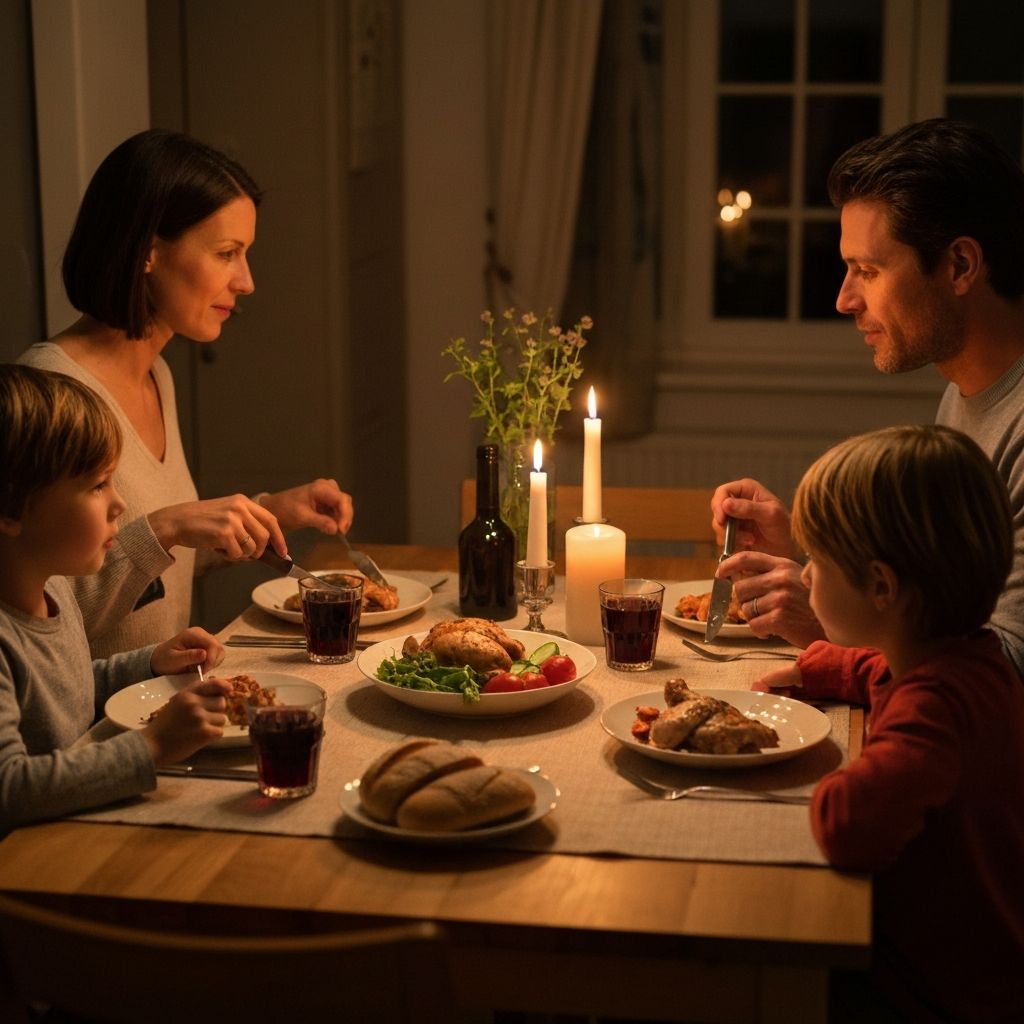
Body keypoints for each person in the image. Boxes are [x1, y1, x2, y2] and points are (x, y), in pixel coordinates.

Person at [19, 128, 355, 658]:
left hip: (167, 702)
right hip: (101, 727)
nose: (246, 282)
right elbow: (46, 616)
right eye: (227, 253)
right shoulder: (54, 395)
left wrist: (268, 511)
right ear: (148, 252)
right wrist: (169, 524)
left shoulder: (158, 376)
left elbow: (151, 572)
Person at [710, 118, 1024, 676]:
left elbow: (1008, 672)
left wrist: (823, 623)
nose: (844, 299)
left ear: (959, 265)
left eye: (868, 270)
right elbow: (938, 608)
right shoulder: (964, 392)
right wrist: (818, 565)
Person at [754, 424, 1024, 1022]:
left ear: (880, 585)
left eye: (817, 563)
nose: (803, 576)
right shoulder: (967, 661)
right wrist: (826, 668)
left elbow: (850, 825)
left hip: (933, 995)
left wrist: (817, 776)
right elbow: (880, 673)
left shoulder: (935, 708)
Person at [0, 365, 233, 832]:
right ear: (9, 510)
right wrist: (151, 746)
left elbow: (66, 691)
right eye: (97, 485)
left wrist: (148, 664)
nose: (119, 503)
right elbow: (10, 789)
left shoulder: (54, 587)